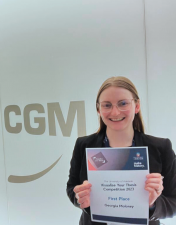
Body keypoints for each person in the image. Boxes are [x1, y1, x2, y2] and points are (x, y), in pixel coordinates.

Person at [66, 76, 176, 225]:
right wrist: (80, 198)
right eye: (107, 105)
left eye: (123, 103)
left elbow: (173, 203)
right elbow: (72, 187)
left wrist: (152, 204)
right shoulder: (83, 145)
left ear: (136, 106)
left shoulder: (161, 147)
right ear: (98, 109)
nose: (115, 112)